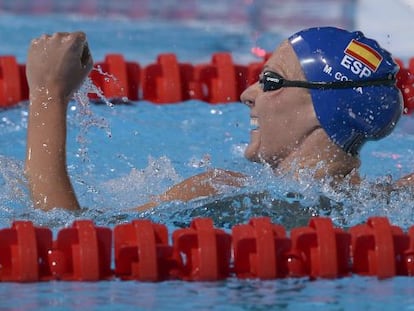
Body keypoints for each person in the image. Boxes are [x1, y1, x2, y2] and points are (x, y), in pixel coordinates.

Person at [24, 27, 411, 211]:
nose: (247, 94)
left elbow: (67, 231)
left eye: (270, 81)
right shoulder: (384, 201)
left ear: (320, 108)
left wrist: (47, 96)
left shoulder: (221, 190)